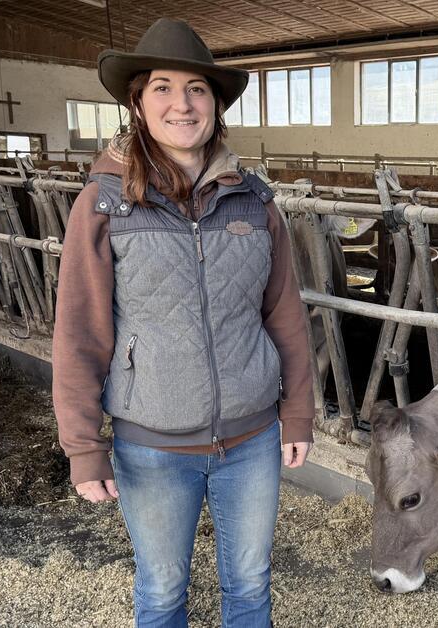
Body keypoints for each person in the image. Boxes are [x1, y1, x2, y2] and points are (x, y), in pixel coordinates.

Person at [51, 17, 313, 628]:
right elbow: (80, 331)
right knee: (163, 589)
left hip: (252, 441)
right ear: (138, 104)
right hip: (151, 445)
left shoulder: (254, 199)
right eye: (163, 87)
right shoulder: (104, 202)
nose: (181, 103)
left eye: (197, 88)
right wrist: (84, 448)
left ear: (215, 105)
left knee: (250, 586)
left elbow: (285, 315)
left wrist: (296, 413)